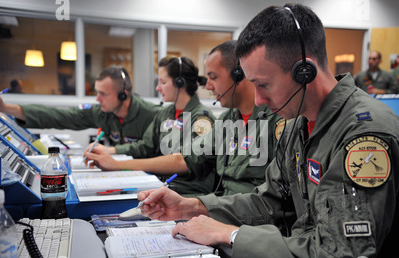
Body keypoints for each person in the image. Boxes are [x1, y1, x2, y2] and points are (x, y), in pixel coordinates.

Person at [138, 3, 399, 258]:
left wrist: (231, 235)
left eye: (263, 84)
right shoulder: (298, 125)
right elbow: (269, 201)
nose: (258, 100)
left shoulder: (364, 139)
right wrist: (193, 206)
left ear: (304, 71)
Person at [85, 40, 282, 196]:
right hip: (219, 205)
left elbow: (185, 164)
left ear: (239, 74)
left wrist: (117, 163)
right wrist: (114, 159)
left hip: (213, 202)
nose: (209, 86)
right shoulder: (226, 120)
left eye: (213, 77)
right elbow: (180, 157)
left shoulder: (277, 121)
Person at [85, 56, 216, 195]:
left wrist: (116, 164)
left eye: (163, 82)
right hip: (161, 184)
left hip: (187, 193)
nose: (158, 88)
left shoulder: (202, 118)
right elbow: (144, 147)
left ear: (179, 83)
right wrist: (110, 151)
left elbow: (182, 162)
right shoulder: (166, 113)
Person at [0, 66, 161, 150]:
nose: (97, 99)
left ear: (123, 95)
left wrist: (111, 151)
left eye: (104, 94)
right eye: (97, 92)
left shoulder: (153, 115)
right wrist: (4, 107)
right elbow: (59, 115)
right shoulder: (103, 112)